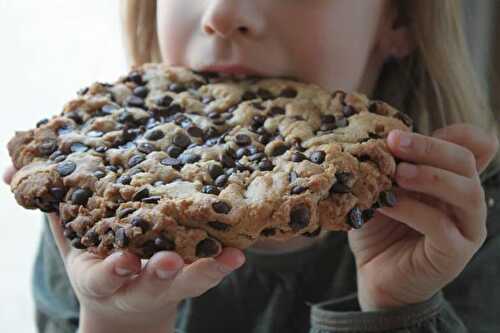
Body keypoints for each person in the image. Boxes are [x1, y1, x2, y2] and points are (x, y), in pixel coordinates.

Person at [4, 0, 500, 332]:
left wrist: (400, 310)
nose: (222, 13)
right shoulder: (98, 212)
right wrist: (119, 322)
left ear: (400, 19)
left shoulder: (460, 226)